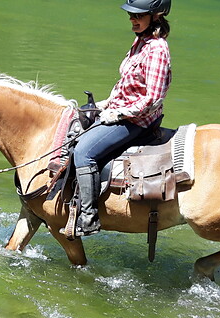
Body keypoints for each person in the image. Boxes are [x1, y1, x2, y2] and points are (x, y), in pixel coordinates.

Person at [69, 0, 172, 237]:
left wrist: (118, 113)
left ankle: (89, 218)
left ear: (156, 16)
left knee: (84, 152)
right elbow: (128, 85)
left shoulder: (157, 49)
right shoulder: (140, 42)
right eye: (131, 15)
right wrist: (105, 104)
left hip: (137, 120)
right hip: (122, 111)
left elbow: (152, 99)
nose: (132, 20)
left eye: (138, 16)